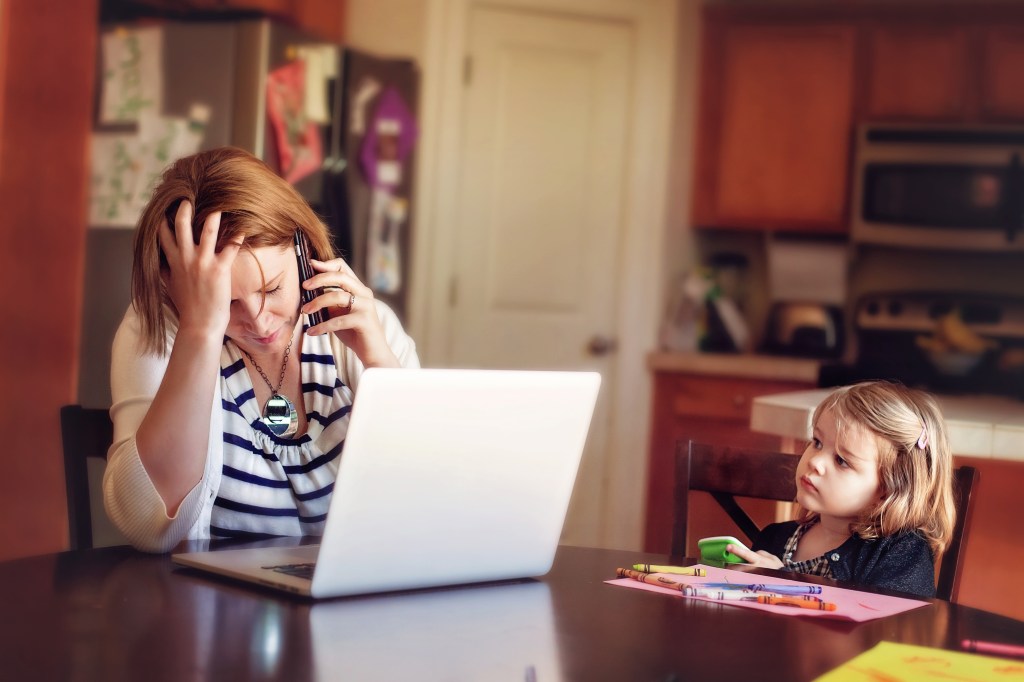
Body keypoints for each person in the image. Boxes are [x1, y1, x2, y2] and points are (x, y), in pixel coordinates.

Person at [103, 147, 419, 552]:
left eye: (272, 289)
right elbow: (147, 527)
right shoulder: (157, 329)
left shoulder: (365, 325)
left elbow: (422, 498)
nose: (258, 320)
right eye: (228, 303)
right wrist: (200, 328)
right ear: (173, 285)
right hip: (213, 606)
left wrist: (378, 364)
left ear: (303, 251)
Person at [727, 381, 955, 598]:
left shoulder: (901, 554)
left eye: (842, 461)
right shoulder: (774, 539)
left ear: (888, 488)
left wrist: (784, 582)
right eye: (816, 442)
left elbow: (885, 622)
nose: (815, 462)